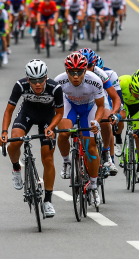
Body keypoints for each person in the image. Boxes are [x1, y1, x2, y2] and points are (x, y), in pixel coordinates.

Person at [0, 59, 63, 217]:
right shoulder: (20, 86)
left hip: (48, 117)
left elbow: (60, 113)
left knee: (47, 158)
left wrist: (51, 127)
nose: (38, 84)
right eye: (33, 81)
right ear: (28, 79)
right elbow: (9, 111)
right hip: (27, 114)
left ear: (46, 77)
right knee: (15, 142)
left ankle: (47, 201)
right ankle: (16, 168)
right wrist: (4, 132)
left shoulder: (55, 88)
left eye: (41, 79)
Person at [55, 52, 107, 208]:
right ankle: (66, 162)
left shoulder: (95, 81)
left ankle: (93, 185)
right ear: (66, 71)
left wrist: (96, 122)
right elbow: (55, 108)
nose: (75, 76)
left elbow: (101, 106)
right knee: (64, 132)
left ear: (86, 71)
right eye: (71, 72)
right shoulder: (59, 81)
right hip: (69, 106)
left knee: (90, 146)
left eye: (79, 72)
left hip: (89, 108)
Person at [113, 70, 139, 183]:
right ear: (130, 86)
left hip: (137, 107)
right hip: (122, 102)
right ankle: (118, 141)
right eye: (135, 92)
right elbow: (112, 97)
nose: (137, 95)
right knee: (120, 119)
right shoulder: (121, 81)